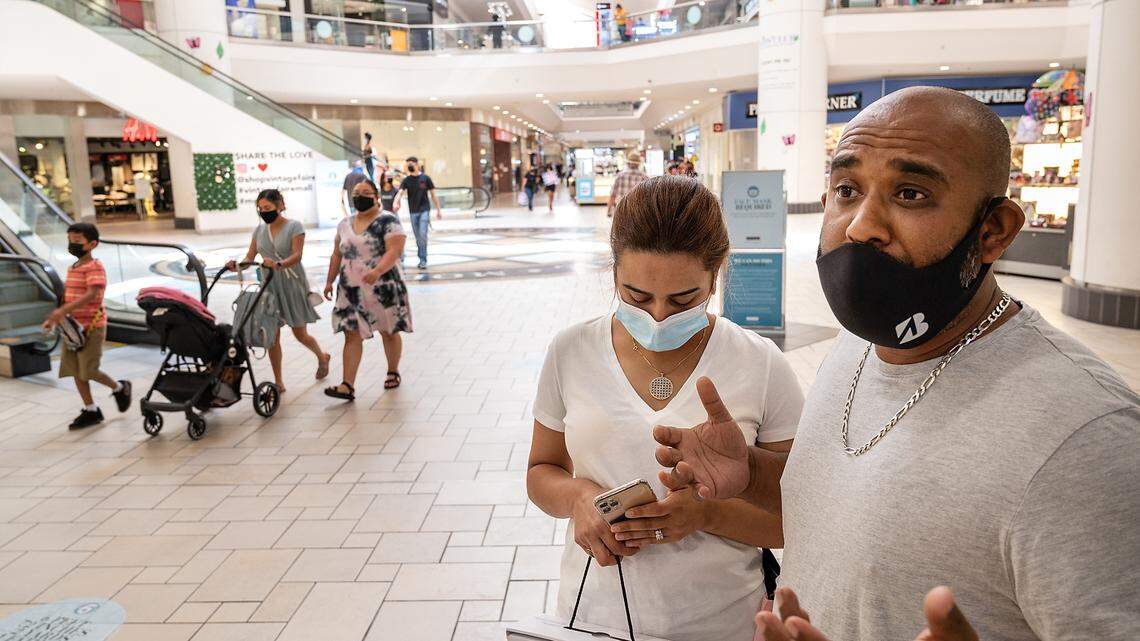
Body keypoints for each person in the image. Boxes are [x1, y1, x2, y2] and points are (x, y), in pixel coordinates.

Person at [651, 87, 1140, 641]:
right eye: (847, 190)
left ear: (993, 231)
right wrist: (754, 475)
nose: (860, 226)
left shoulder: (1087, 440)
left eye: (910, 194)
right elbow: (850, 515)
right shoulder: (859, 346)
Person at [527, 176, 803, 641]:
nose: (658, 316)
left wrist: (705, 515)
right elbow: (541, 470)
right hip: (593, 616)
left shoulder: (760, 363)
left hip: (723, 622)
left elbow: (796, 514)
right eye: (636, 296)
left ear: (715, 275)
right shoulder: (571, 350)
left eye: (683, 299)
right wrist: (578, 498)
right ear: (614, 271)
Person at [226, 189, 331, 394]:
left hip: (291, 284)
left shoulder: (294, 226)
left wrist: (279, 264)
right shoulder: (259, 231)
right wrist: (236, 266)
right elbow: (249, 257)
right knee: (272, 336)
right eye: (260, 208)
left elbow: (297, 255)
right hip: (269, 287)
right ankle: (279, 381)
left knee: (300, 334)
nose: (264, 212)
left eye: (267, 207)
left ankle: (322, 356)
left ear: (280, 205)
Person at [323, 179, 412, 399]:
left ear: (376, 196)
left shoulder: (388, 220)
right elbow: (337, 254)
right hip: (351, 289)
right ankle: (347, 385)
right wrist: (329, 280)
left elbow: (395, 250)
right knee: (351, 334)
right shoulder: (344, 224)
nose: (359, 197)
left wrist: (377, 271)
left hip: (383, 286)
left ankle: (393, 371)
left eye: (365, 192)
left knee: (388, 331)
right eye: (356, 193)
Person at [42, 222, 131, 430]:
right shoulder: (73, 267)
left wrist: (62, 311)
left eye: (77, 241)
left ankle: (119, 387)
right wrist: (55, 318)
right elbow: (68, 297)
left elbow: (92, 293)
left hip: (92, 327)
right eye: (70, 240)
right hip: (73, 329)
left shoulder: (94, 267)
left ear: (92, 244)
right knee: (75, 370)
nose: (72, 244)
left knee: (89, 370)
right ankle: (91, 410)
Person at [394, 156, 442, 270]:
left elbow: (433, 195)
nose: (409, 166)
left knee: (423, 234)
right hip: (413, 212)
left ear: (417, 164)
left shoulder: (426, 178)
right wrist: (396, 202)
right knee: (418, 237)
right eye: (408, 165)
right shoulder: (407, 180)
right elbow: (400, 193)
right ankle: (421, 257)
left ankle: (423, 260)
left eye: (411, 164)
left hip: (424, 210)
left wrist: (438, 210)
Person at [606, 152, 648, 218]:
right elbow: (647, 198)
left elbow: (613, 195)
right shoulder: (644, 178)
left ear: (628, 163)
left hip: (621, 211)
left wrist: (609, 211)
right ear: (638, 164)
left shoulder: (620, 176)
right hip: (637, 213)